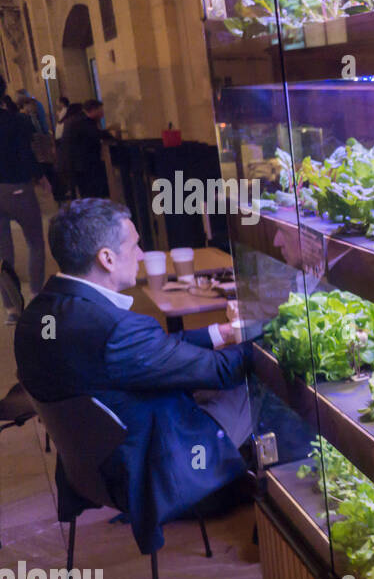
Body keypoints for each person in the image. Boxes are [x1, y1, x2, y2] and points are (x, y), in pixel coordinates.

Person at [14, 199, 252, 554]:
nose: (142, 254)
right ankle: (280, 524)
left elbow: (154, 352)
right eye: (135, 245)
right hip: (148, 467)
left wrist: (225, 332)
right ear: (106, 258)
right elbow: (222, 370)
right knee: (257, 382)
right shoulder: (116, 330)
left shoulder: (39, 315)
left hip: (89, 469)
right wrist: (274, 329)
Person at [0, 76, 49, 321]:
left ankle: (11, 309)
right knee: (35, 242)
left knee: (3, 252)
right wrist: (41, 178)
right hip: (17, 187)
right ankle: (36, 295)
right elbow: (27, 155)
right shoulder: (16, 122)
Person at [63, 98, 115, 198]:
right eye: (100, 110)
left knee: (87, 192)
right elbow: (95, 134)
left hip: (78, 164)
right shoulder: (84, 121)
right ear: (93, 110)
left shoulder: (77, 119)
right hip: (84, 164)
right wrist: (111, 136)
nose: (102, 114)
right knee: (90, 192)